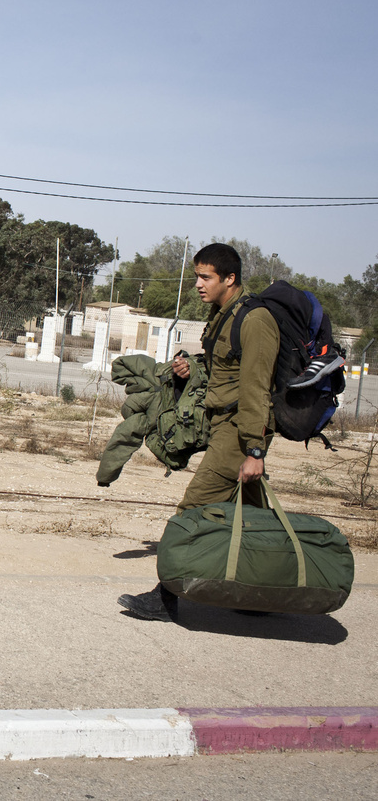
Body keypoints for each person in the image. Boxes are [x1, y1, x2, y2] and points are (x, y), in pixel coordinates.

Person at [118, 243, 279, 622]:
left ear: (229, 278)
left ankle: (164, 598)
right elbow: (223, 366)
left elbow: (257, 387)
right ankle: (259, 593)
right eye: (197, 276)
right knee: (251, 515)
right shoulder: (224, 314)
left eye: (206, 277)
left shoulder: (255, 320)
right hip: (223, 423)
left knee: (193, 511)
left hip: (240, 431)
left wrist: (255, 451)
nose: (198, 284)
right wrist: (192, 367)